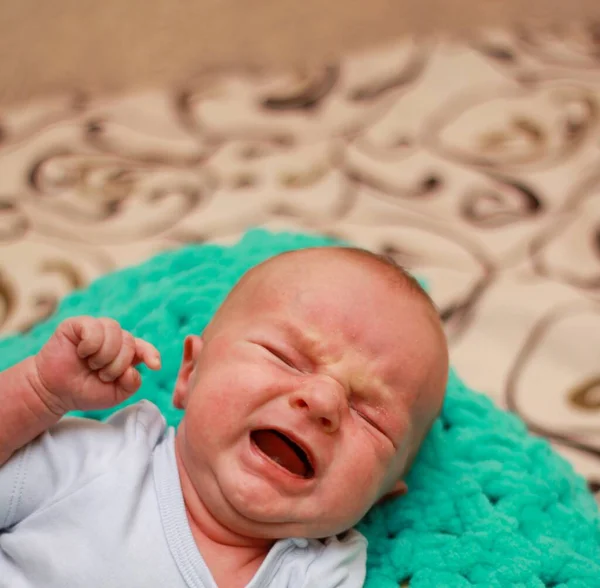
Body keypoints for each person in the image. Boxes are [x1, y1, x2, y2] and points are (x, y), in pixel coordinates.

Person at [0, 246, 449, 588]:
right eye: (284, 358)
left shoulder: (319, 574)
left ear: (384, 493)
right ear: (190, 372)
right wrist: (39, 390)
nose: (323, 401)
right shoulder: (102, 461)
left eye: (370, 416)